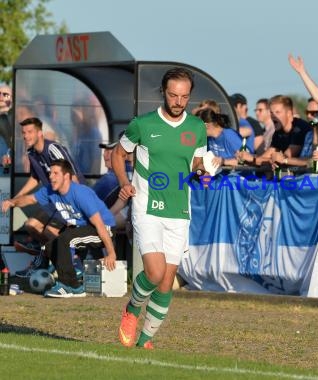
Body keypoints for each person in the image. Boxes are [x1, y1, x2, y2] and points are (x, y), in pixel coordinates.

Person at [112, 67, 207, 350]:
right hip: (147, 207)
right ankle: (131, 310)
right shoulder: (142, 124)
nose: (178, 101)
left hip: (179, 212)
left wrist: (203, 173)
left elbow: (197, 165)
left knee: (166, 283)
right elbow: (119, 154)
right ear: (164, 93)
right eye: (173, 95)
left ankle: (145, 341)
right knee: (153, 273)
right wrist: (124, 182)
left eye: (184, 97)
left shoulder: (197, 128)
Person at [2, 159, 117, 297]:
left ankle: (70, 286)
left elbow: (99, 224)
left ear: (66, 176)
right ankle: (72, 280)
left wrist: (111, 253)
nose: (51, 176)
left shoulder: (80, 193)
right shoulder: (51, 191)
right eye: (50, 173)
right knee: (51, 246)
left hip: (105, 229)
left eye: (55, 173)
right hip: (84, 228)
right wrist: (12, 202)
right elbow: (30, 199)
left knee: (64, 239)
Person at [5, 117, 84, 277]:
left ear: (40, 133)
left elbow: (72, 175)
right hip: (53, 200)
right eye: (24, 133)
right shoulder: (31, 153)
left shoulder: (53, 149)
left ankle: (72, 264)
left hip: (69, 199)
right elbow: (35, 178)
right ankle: (47, 260)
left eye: (30, 132)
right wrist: (16, 199)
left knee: (50, 230)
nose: (26, 136)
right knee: (31, 225)